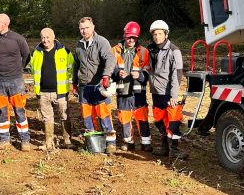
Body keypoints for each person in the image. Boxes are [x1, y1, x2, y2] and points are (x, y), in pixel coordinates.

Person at [72, 16, 117, 154]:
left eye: (87, 28)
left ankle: (110, 143)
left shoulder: (101, 42)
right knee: (87, 117)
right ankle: (92, 142)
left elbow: (110, 59)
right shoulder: (79, 45)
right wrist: (74, 82)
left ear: (93, 27)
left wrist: (106, 76)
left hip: (98, 85)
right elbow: (76, 65)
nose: (84, 31)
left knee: (104, 115)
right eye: (82, 29)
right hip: (84, 87)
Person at [0, 13, 31, 151]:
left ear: (5, 24)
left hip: (16, 81)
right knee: (2, 112)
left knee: (20, 111)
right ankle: (4, 139)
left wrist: (18, 69)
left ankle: (25, 140)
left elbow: (26, 56)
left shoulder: (18, 39)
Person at [147, 20, 187, 160]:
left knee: (173, 122)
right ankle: (165, 147)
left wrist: (174, 95)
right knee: (159, 120)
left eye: (159, 33)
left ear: (165, 34)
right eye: (154, 34)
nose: (156, 36)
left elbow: (177, 74)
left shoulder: (174, 51)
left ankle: (174, 149)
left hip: (169, 93)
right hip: (156, 92)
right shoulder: (151, 50)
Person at [30, 27, 74, 151]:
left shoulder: (64, 51)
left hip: (60, 92)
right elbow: (33, 70)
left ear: (53, 37)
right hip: (43, 92)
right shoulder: (36, 52)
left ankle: (67, 140)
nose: (45, 40)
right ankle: (49, 142)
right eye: (43, 37)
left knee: (64, 116)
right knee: (47, 118)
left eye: (47, 37)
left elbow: (71, 68)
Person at [111, 21, 152, 152]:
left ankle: (146, 142)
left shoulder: (144, 52)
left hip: (138, 91)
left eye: (133, 37)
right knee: (124, 117)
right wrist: (117, 73)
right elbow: (109, 69)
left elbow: (149, 72)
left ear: (137, 37)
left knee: (142, 117)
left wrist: (139, 75)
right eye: (129, 36)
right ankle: (129, 142)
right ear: (124, 35)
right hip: (123, 91)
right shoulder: (115, 50)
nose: (131, 39)